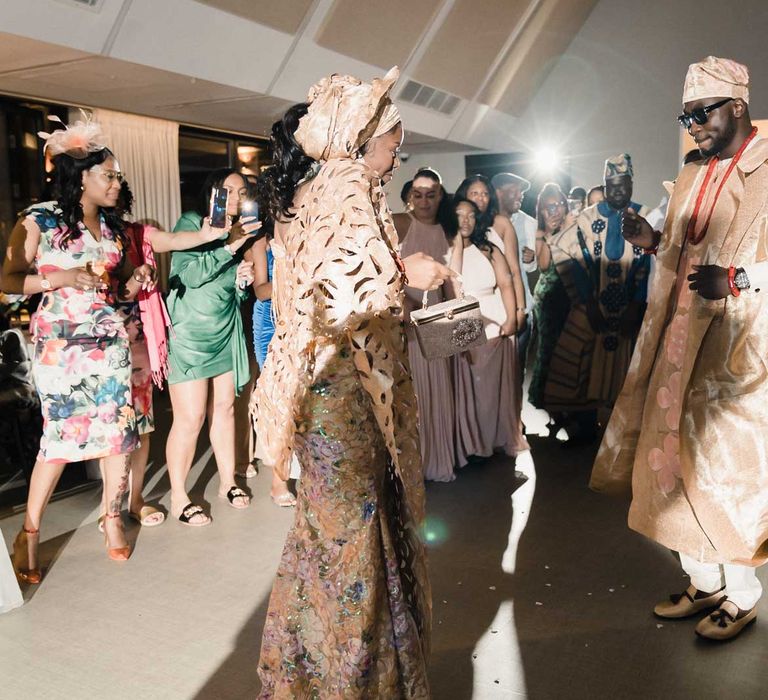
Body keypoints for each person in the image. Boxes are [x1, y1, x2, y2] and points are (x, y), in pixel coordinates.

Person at [251, 68, 452, 697]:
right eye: (393, 140)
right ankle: (352, 679)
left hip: (320, 392)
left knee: (332, 532)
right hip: (345, 394)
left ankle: (306, 671)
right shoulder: (346, 191)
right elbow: (340, 304)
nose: (397, 152)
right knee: (354, 537)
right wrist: (403, 269)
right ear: (364, 137)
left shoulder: (316, 191)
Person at [592, 56, 768, 641]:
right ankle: (703, 578)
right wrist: (652, 240)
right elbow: (681, 243)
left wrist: (740, 279)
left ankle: (741, 595)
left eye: (701, 113)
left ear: (736, 106)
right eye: (685, 115)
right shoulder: (695, 171)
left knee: (722, 468)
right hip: (678, 336)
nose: (692, 125)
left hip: (738, 351)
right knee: (668, 459)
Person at [2, 117, 156, 578]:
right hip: (61, 351)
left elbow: (120, 290)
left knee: (118, 436)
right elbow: (7, 281)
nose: (117, 182)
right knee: (58, 443)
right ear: (82, 176)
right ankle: (30, 530)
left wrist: (136, 280)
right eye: (109, 174)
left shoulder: (111, 226)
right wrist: (63, 277)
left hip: (110, 346)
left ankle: (112, 518)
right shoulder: (40, 219)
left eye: (117, 176)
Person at [165, 169, 258, 525]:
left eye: (242, 192)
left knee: (225, 409)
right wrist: (230, 245)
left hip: (225, 329)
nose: (235, 198)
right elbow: (188, 276)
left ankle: (228, 482)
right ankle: (178, 496)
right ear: (212, 193)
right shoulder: (192, 222)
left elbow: (225, 287)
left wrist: (240, 283)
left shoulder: (238, 230)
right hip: (191, 334)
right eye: (228, 191)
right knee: (190, 418)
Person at [545, 154, 651, 443]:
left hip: (630, 308)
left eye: (623, 184)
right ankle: (586, 433)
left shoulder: (645, 215)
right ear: (605, 185)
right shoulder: (586, 218)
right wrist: (586, 301)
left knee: (626, 372)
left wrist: (637, 304)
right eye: (612, 185)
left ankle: (622, 440)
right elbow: (567, 253)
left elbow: (650, 263)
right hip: (593, 306)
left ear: (631, 183)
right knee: (583, 367)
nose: (618, 190)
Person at [449, 198, 529, 464]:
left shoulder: (489, 248)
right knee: (467, 388)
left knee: (491, 391)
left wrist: (511, 317)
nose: (466, 220)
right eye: (459, 215)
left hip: (494, 321)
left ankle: (493, 440)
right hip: (463, 321)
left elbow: (506, 284)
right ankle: (472, 443)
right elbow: (450, 285)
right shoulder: (446, 249)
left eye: (471, 215)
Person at [394, 167, 458, 482]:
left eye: (430, 194)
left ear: (439, 196)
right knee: (413, 396)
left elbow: (451, 287)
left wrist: (454, 334)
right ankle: (412, 467)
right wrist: (402, 304)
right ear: (409, 197)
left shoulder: (447, 232)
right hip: (404, 321)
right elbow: (383, 269)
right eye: (417, 194)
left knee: (439, 392)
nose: (423, 200)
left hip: (436, 320)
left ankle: (436, 460)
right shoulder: (399, 223)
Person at [247, 225, 297, 507]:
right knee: (279, 404)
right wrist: (294, 280)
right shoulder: (261, 243)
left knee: (300, 400)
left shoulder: (308, 231)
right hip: (270, 324)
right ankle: (279, 480)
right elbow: (261, 291)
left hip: (300, 318)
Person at [455, 175, 527, 335]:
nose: (480, 198)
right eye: (475, 193)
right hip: (466, 304)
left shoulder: (501, 223)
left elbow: (514, 271)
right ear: (464, 195)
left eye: (485, 193)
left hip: (500, 301)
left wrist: (520, 309)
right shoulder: (456, 228)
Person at [527, 183, 572, 434]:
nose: (555, 210)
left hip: (572, 296)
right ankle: (553, 409)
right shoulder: (541, 233)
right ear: (541, 212)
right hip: (549, 300)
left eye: (559, 204)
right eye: (549, 207)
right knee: (549, 351)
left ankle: (569, 406)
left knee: (569, 352)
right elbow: (544, 266)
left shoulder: (574, 227)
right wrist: (546, 234)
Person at [492, 172, 537, 371]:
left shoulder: (529, 223)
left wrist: (531, 259)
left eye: (522, 192)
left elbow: (529, 269)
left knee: (516, 372)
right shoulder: (482, 221)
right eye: (515, 191)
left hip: (521, 308)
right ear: (498, 192)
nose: (520, 195)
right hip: (491, 310)